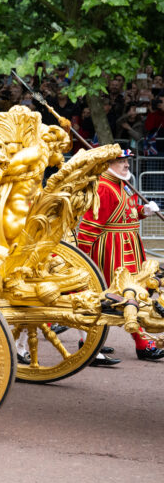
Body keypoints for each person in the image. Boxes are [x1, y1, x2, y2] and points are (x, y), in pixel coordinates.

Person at [76, 149, 164, 361]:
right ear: (108, 164)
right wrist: (81, 258)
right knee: (122, 295)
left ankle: (97, 339)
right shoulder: (104, 188)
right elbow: (90, 225)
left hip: (129, 246)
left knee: (137, 292)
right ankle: (139, 343)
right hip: (112, 249)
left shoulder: (122, 185)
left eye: (126, 161)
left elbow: (127, 214)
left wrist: (144, 211)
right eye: (121, 161)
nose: (126, 165)